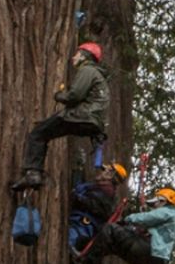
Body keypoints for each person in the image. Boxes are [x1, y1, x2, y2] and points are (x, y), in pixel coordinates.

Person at [16, 42, 108, 188]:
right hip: (92, 122)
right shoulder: (99, 77)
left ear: (84, 56)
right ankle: (35, 173)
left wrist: (60, 96)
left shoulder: (88, 70)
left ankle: (33, 173)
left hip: (81, 116)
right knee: (46, 132)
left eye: (77, 54)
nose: (73, 58)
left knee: (38, 133)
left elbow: (75, 95)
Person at [82, 187, 175, 264]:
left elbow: (147, 218)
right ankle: (88, 261)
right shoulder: (168, 219)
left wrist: (127, 219)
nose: (154, 207)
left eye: (155, 204)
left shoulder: (168, 212)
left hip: (149, 250)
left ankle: (87, 262)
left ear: (163, 201)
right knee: (112, 244)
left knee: (110, 228)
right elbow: (150, 222)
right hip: (148, 259)